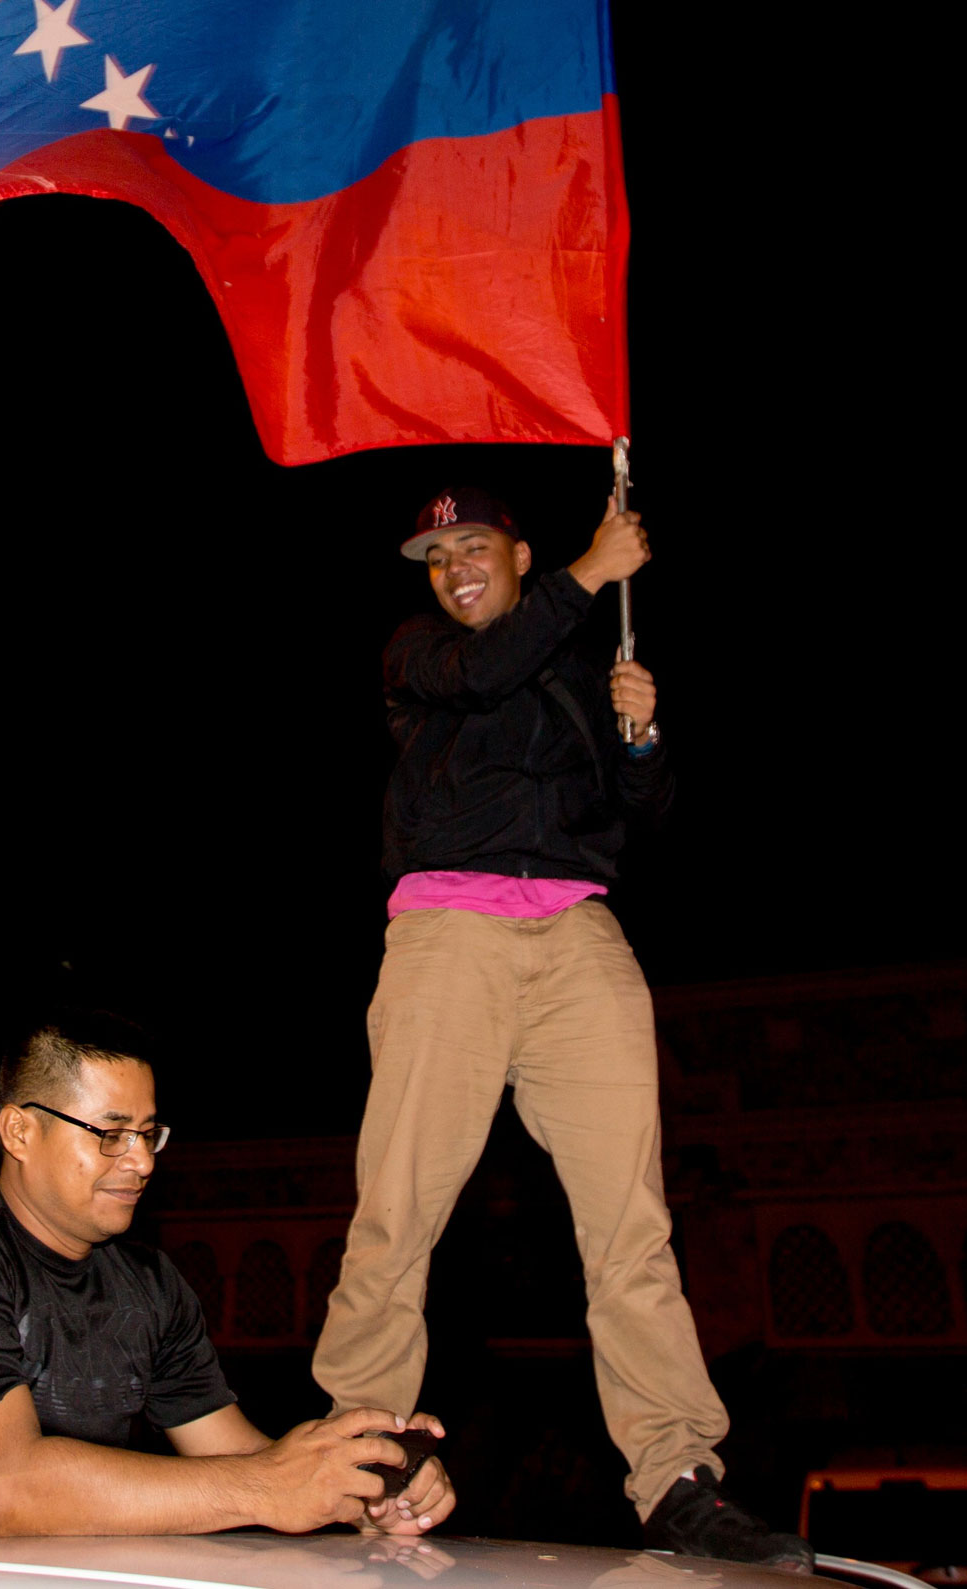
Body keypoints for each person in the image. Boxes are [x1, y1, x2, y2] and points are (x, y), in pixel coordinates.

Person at [312, 486, 810, 1571]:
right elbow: (485, 669)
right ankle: (363, 1451)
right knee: (399, 1210)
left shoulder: (581, 665)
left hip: (580, 937)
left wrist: (640, 738)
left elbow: (643, 815)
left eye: (473, 546)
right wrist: (590, 570)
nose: (454, 569)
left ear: (515, 550)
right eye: (436, 556)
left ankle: (679, 1477)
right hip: (450, 931)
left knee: (633, 1223)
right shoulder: (421, 655)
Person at [0, 1011, 455, 1549]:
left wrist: (361, 1488)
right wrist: (271, 1485)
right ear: (19, 1131)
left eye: (149, 1134)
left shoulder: (151, 1282)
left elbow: (233, 1458)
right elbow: (14, 1492)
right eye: (111, 1133)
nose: (142, 1161)